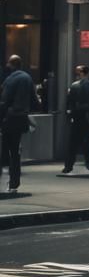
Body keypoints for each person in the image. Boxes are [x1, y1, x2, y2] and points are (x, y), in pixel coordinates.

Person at [0, 55, 39, 195]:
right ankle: (14, 184)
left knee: (5, 150)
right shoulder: (27, 78)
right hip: (21, 119)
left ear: (11, 64)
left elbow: (4, 101)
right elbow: (35, 100)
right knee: (15, 152)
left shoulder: (11, 79)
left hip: (9, 119)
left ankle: (5, 178)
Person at [63, 64, 89, 174]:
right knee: (87, 141)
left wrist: (69, 115)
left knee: (72, 143)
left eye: (77, 72)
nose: (76, 75)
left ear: (81, 73)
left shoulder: (74, 86)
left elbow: (69, 102)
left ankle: (69, 165)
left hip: (77, 117)